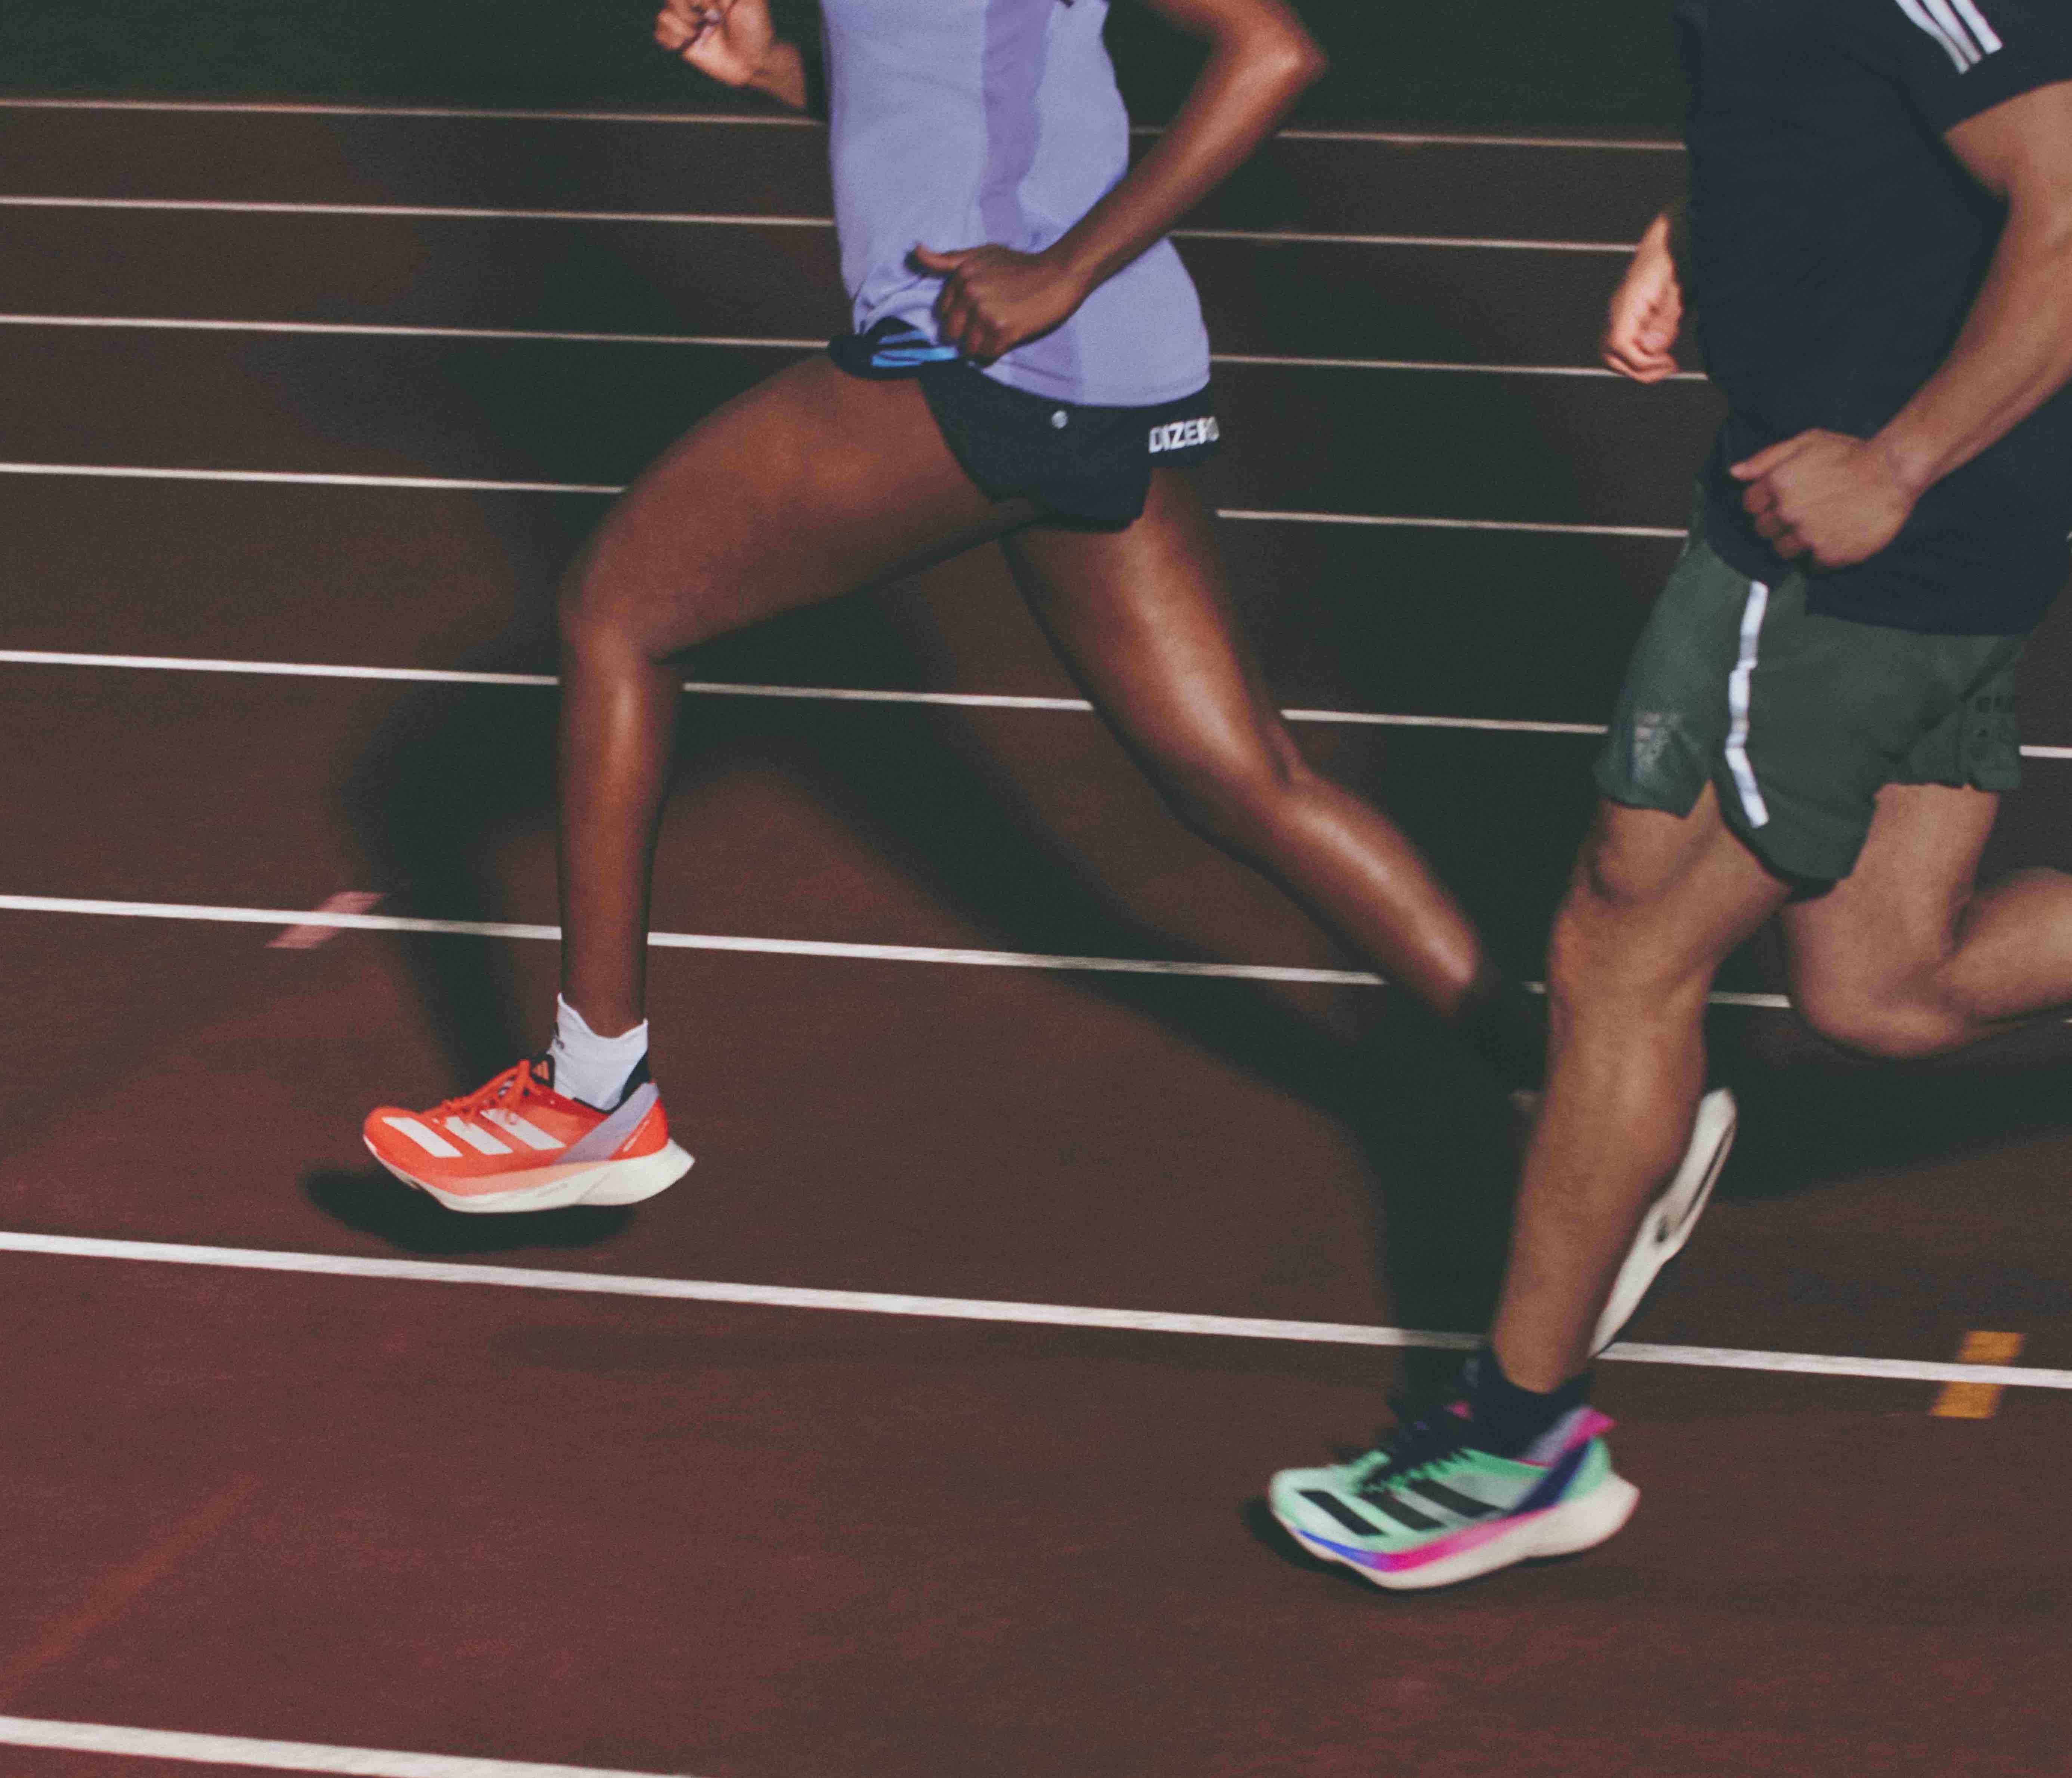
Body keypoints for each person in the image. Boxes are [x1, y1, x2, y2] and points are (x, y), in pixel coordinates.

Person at [1265, 0, 2072, 1591]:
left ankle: (1509, 1445)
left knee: (1622, 953)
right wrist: (1695, 226)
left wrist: (1895, 463)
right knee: (1884, 988)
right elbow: (1845, 129)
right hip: (1874, 529)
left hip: (1866, 549)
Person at [359, 0, 1744, 1251]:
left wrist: (1063, 270)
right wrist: (777, 70)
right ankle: (1607, 1103)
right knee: (1242, 778)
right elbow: (944, 98)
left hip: (990, 362)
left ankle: (596, 1094)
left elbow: (1272, 48)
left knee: (616, 613)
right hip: (1104, 375)